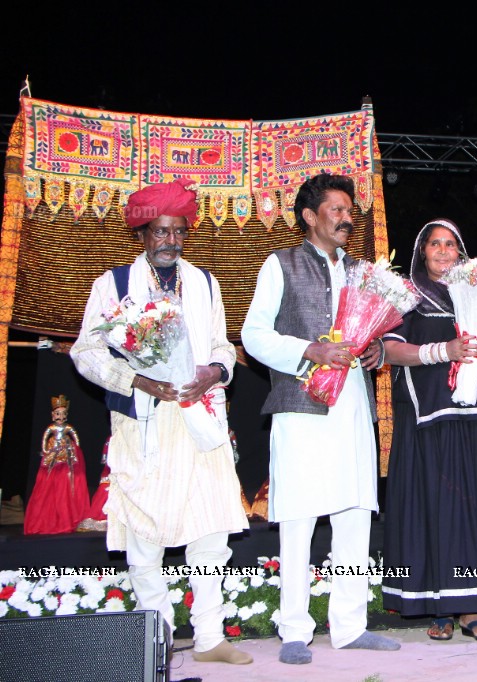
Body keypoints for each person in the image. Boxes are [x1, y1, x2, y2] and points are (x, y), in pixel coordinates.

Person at [70, 178, 251, 664]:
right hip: (143, 422)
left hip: (200, 417)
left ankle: (211, 637)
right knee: (144, 535)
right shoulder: (113, 285)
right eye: (160, 232)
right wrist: (135, 380)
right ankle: (158, 638)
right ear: (142, 235)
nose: (170, 241)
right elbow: (85, 352)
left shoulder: (204, 282)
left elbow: (221, 344)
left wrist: (215, 371)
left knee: (211, 530)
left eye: (177, 232)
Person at [241, 173, 400, 663]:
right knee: (299, 517)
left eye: (350, 209)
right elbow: (253, 336)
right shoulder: (281, 264)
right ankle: (294, 630)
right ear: (310, 216)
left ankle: (349, 625)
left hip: (353, 406)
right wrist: (310, 349)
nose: (347, 217)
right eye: (336, 209)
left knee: (354, 514)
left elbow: (370, 333)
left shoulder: (362, 272)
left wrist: (374, 350)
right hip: (302, 407)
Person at [381, 218, 477, 643]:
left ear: (461, 253)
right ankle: (436, 606)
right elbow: (389, 348)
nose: (443, 252)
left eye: (450, 245)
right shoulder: (405, 294)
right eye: (435, 244)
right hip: (428, 418)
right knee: (434, 509)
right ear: (422, 250)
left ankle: (473, 608)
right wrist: (445, 350)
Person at [23, 395, 90, 535]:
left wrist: (75, 449)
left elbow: (75, 436)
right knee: (48, 480)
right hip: (53, 451)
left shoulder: (68, 428)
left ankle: (68, 516)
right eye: (57, 413)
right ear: (53, 415)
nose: (60, 416)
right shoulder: (52, 428)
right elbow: (44, 438)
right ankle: (48, 517)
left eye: (63, 413)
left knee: (67, 481)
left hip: (66, 452)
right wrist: (46, 450)